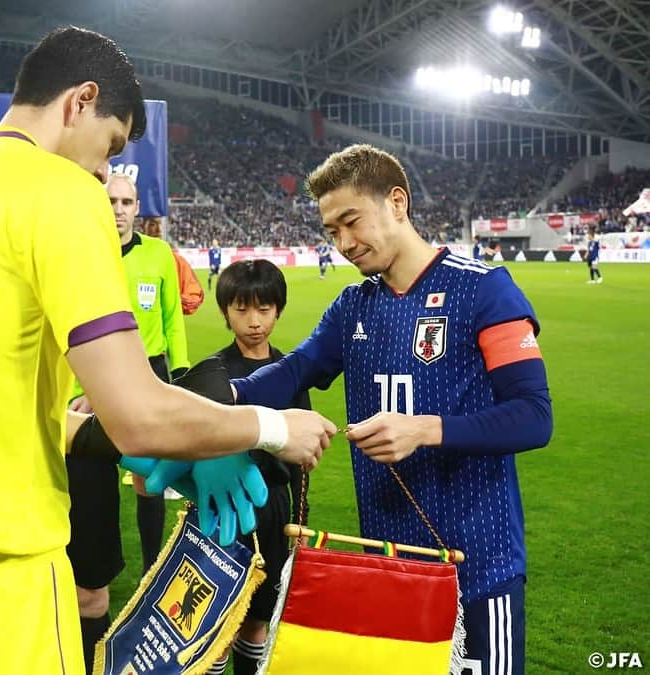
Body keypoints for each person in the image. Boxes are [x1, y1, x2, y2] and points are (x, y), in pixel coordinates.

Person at [0, 27, 335, 675]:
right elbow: (136, 411)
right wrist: (274, 426)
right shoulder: (60, 192)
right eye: (110, 145)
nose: (105, 170)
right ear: (80, 100)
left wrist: (132, 442)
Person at [221, 145, 552, 674]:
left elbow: (534, 415)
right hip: (389, 567)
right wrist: (206, 401)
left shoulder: (485, 289)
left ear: (397, 202)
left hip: (479, 568)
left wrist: (424, 430)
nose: (344, 243)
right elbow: (292, 372)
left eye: (351, 222)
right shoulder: (354, 305)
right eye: (331, 232)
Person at [66, 174, 190, 669]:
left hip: (150, 373)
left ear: (139, 207)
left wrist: (178, 374)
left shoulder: (159, 256)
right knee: (93, 478)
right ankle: (91, 570)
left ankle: (148, 569)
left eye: (125, 201)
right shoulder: (81, 254)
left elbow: (172, 316)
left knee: (148, 481)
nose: (118, 209)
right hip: (91, 383)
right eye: (110, 200)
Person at [206, 260, 311, 675]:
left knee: (259, 618)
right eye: (242, 309)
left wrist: (302, 519)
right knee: (218, 620)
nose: (254, 321)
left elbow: (304, 454)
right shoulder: (213, 374)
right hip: (224, 509)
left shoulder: (291, 372)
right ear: (225, 312)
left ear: (278, 310)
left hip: (275, 509)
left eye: (264, 309)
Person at [142, 216, 204, 315]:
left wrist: (170, 298)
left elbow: (195, 298)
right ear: (142, 227)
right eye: (153, 224)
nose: (159, 229)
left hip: (169, 330)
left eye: (162, 224)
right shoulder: (126, 257)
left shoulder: (177, 262)